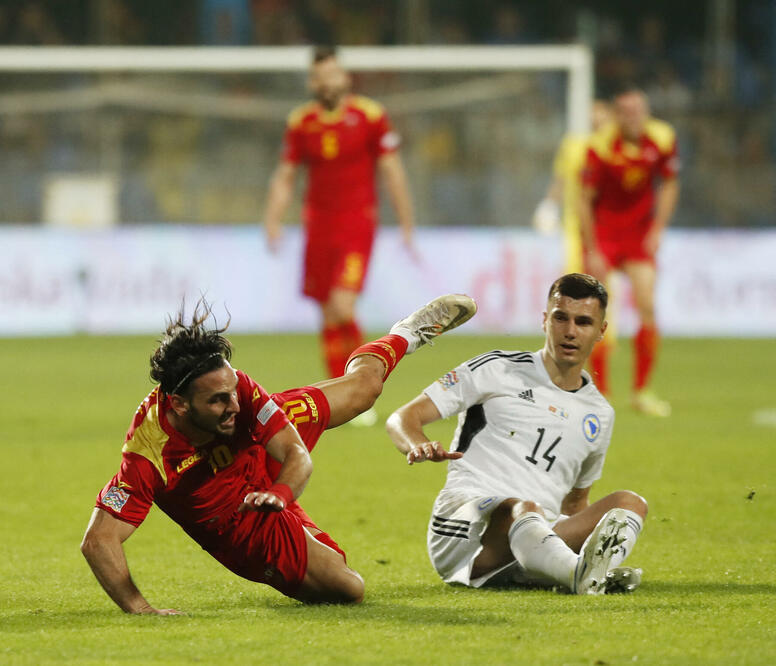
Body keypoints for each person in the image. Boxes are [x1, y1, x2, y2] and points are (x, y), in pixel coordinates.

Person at [81, 293, 476, 614]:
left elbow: (295, 454)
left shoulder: (242, 397)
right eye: (218, 399)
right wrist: (140, 609)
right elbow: (98, 541)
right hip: (239, 516)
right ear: (180, 405)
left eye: (233, 390)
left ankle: (409, 332)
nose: (234, 403)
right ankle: (298, 532)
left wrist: (282, 494)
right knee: (347, 586)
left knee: (363, 390)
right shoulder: (148, 455)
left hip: (260, 451)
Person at [386, 273, 648, 595]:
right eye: (560, 318)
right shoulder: (498, 368)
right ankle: (580, 575)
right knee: (522, 508)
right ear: (544, 321)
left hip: (537, 535)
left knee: (629, 503)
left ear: (601, 332)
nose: (569, 331)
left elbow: (576, 503)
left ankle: (564, 569)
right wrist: (418, 444)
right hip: (466, 528)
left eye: (583, 322)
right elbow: (403, 417)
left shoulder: (599, 414)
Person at [262, 45, 416, 383]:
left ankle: (365, 382)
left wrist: (406, 222)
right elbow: (286, 176)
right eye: (320, 77)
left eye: (333, 74)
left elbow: (392, 170)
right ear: (312, 83)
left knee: (343, 306)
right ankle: (339, 391)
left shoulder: (369, 116)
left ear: (344, 77)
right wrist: (272, 219)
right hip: (318, 226)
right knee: (329, 313)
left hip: (357, 224)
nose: (327, 82)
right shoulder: (302, 122)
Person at [577, 85, 680, 416]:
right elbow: (584, 199)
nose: (634, 118)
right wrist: (591, 247)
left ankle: (642, 391)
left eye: (639, 111)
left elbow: (670, 183)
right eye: (627, 112)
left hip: (638, 236)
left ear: (646, 111)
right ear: (618, 116)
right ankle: (600, 390)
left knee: (647, 305)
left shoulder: (662, 139)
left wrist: (658, 228)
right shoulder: (600, 146)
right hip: (605, 234)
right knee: (599, 311)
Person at [532, 99, 614, 274]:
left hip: (607, 222)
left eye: (601, 111)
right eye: (593, 111)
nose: (596, 116)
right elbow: (561, 179)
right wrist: (548, 206)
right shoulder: (573, 144)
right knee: (575, 275)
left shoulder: (617, 148)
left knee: (603, 277)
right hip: (575, 222)